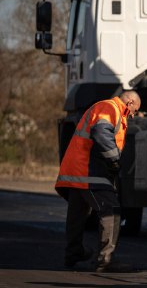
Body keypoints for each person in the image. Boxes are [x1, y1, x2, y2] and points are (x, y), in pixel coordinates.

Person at [56, 90, 141, 271]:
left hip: (77, 170)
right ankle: (105, 260)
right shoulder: (110, 108)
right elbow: (101, 133)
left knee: (78, 213)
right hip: (89, 171)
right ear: (130, 103)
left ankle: (73, 253)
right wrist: (115, 160)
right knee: (111, 210)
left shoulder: (106, 108)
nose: (133, 115)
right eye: (135, 111)